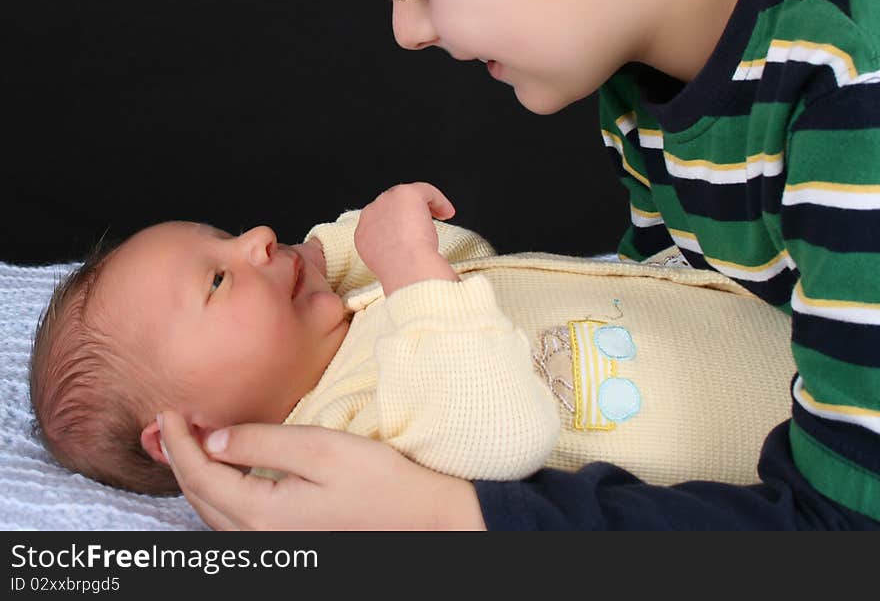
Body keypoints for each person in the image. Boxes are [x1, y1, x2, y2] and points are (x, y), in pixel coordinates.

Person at [159, 0, 880, 529]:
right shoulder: (652, 45)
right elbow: (680, 303)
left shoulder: (853, 94)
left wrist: (449, 523)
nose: (407, 30)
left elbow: (848, 531)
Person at [30, 183, 793, 495]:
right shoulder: (332, 440)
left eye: (229, 237)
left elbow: (465, 255)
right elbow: (498, 437)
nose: (259, 238)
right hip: (796, 441)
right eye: (218, 280)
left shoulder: (355, 307)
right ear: (188, 433)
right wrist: (408, 273)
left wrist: (346, 260)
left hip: (794, 332)